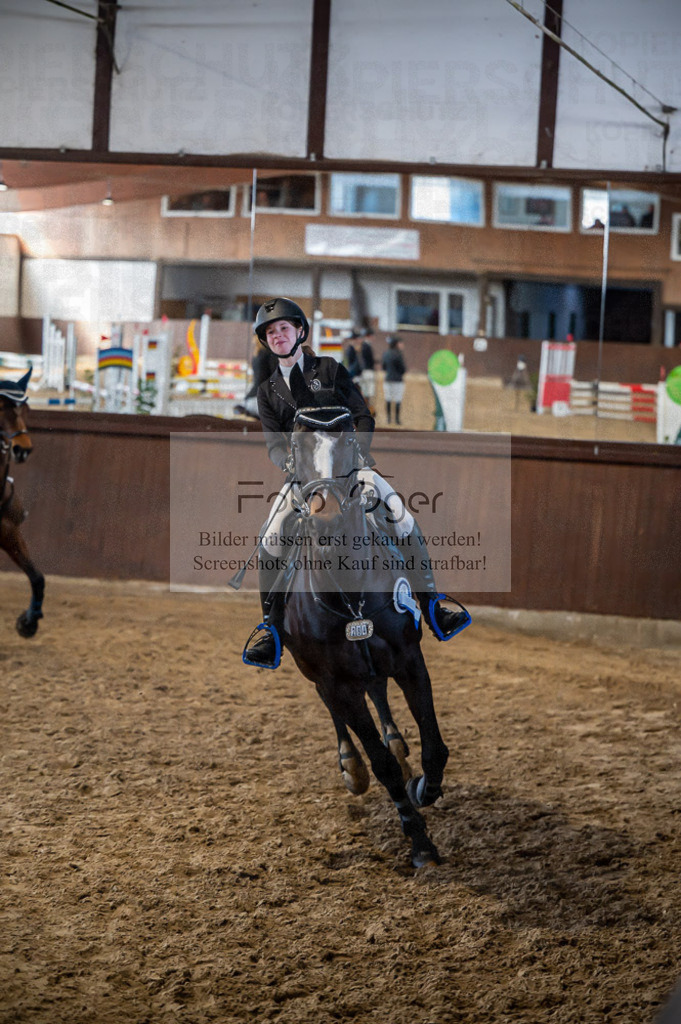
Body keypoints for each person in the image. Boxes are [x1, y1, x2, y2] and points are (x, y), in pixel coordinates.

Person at [241, 297, 469, 669]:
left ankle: (432, 607)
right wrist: (291, 464)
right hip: (305, 480)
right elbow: (274, 445)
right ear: (266, 341)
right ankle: (271, 629)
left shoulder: (330, 370)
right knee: (271, 535)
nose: (277, 335)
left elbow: (363, 416)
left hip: (350, 469)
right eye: (270, 332)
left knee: (401, 515)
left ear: (299, 331)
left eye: (283, 328)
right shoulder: (268, 390)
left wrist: (357, 454)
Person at [382, 334, 407, 425]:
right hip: (397, 380)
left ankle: (388, 419)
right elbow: (403, 369)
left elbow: (384, 367)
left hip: (388, 379)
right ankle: (397, 419)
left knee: (388, 398)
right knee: (397, 399)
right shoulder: (399, 354)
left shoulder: (386, 353)